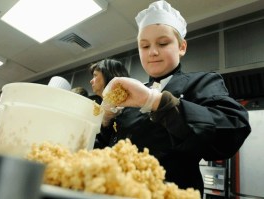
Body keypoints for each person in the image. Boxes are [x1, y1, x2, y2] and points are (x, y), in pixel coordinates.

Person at [95, 0, 251, 195]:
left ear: (182, 47)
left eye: (163, 43)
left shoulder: (201, 82)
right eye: (144, 46)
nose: (152, 52)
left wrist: (156, 102)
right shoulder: (130, 94)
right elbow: (100, 150)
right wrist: (106, 122)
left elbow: (234, 128)